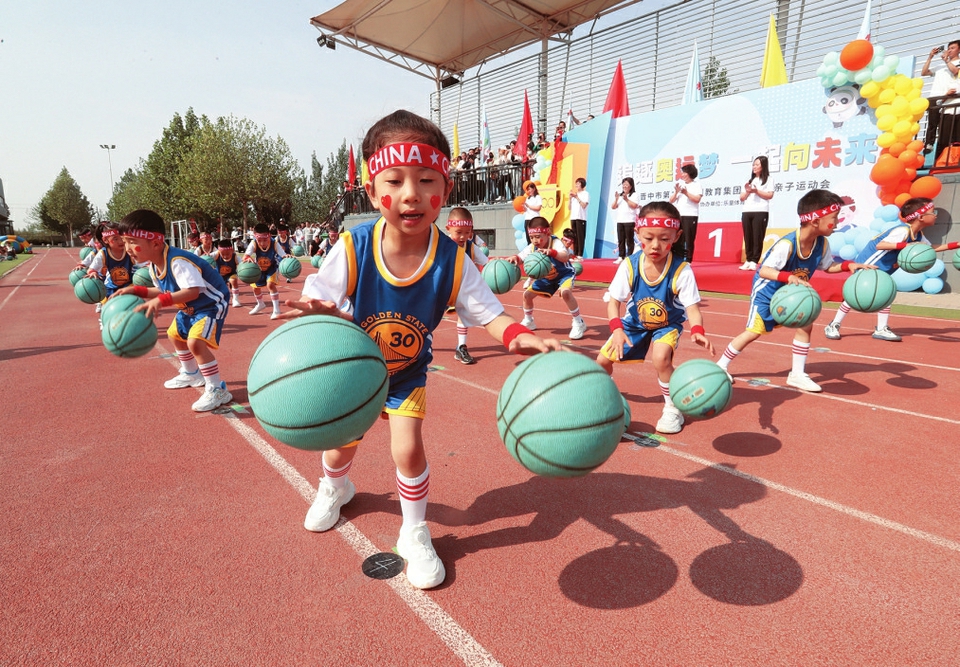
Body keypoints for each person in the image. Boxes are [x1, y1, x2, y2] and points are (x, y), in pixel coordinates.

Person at [282, 109, 560, 590]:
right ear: (372, 191)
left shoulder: (452, 261)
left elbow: (491, 315)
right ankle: (335, 486)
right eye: (395, 180)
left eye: (426, 180)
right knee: (338, 446)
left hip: (407, 372)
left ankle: (413, 531)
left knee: (407, 449)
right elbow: (317, 296)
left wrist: (521, 336)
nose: (411, 194)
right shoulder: (353, 246)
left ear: (445, 191)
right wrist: (317, 310)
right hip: (353, 373)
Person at [716, 190, 872, 393]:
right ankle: (721, 365)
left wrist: (848, 266)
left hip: (792, 294)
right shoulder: (787, 244)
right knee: (754, 332)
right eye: (834, 218)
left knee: (806, 324)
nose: (838, 222)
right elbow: (764, 270)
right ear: (815, 221)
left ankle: (797, 374)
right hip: (768, 292)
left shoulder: (822, 243)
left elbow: (827, 266)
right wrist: (789, 277)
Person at [596, 201, 714, 434]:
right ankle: (607, 397)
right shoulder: (629, 265)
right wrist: (617, 329)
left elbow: (692, 308)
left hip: (667, 325)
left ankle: (673, 407)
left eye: (664, 239)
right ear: (637, 232)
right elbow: (614, 301)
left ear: (677, 236)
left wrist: (698, 330)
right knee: (601, 363)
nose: (655, 245)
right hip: (633, 323)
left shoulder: (682, 269)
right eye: (648, 238)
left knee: (661, 359)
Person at [115, 209, 232, 412]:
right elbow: (162, 289)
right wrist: (137, 290)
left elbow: (193, 291)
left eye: (132, 242)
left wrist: (161, 301)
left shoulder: (178, 261)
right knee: (174, 335)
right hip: (190, 307)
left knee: (195, 343)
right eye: (124, 242)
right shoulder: (153, 265)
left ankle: (217, 388)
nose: (128, 248)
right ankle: (191, 373)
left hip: (211, 305)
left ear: (155, 243)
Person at [825, 198, 950, 342]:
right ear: (921, 217)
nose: (935, 215)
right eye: (932, 212)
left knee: (886, 294)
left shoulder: (919, 235)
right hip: (870, 263)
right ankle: (833, 324)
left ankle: (881, 328)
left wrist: (956, 244)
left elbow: (930, 248)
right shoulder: (902, 230)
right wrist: (905, 246)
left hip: (885, 268)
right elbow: (881, 245)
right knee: (856, 294)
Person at [507, 216, 587, 340]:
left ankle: (578, 322)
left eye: (538, 237)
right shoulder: (532, 247)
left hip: (564, 274)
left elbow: (565, 256)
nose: (535, 240)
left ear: (547, 233)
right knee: (527, 295)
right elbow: (521, 257)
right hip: (547, 277)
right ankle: (529, 321)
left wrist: (552, 252)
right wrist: (514, 259)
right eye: (532, 237)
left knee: (565, 293)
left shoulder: (555, 242)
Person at [445, 207, 488, 365]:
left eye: (467, 232)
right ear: (448, 229)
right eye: (459, 232)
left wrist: (496, 269)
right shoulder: (442, 247)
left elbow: (487, 264)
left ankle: (461, 347)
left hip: (460, 290)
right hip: (442, 290)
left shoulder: (471, 247)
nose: (463, 236)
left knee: (464, 312)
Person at [86, 222, 135, 327]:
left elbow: (143, 264)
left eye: (122, 237)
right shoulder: (103, 253)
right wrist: (93, 272)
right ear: (106, 240)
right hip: (111, 287)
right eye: (115, 238)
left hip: (128, 285)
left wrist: (147, 268)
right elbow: (91, 269)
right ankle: (105, 323)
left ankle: (130, 325)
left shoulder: (129, 250)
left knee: (130, 307)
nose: (120, 241)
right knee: (107, 310)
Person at [242, 222, 288, 319]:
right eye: (260, 240)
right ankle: (260, 304)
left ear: (269, 236)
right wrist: (247, 258)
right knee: (255, 288)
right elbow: (245, 256)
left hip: (272, 267)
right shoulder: (253, 243)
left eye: (265, 240)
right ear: (255, 237)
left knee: (270, 285)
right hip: (259, 268)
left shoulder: (274, 243)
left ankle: (276, 310)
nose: (262, 243)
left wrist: (287, 257)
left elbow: (283, 254)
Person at [921, 40, 960, 153]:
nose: (949, 50)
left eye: (953, 48)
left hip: (948, 98)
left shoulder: (956, 63)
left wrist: (947, 61)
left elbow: (956, 72)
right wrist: (930, 57)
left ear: (959, 49)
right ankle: (929, 144)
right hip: (936, 96)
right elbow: (924, 73)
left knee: (947, 128)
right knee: (932, 123)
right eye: (949, 48)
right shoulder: (939, 66)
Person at [738, 156, 775, 271]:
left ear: (763, 166)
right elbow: (742, 198)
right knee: (748, 236)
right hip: (747, 211)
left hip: (761, 210)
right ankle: (748, 260)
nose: (754, 167)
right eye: (753, 165)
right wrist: (749, 191)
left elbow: (769, 195)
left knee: (757, 236)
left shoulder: (769, 179)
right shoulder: (749, 181)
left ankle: (754, 260)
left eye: (757, 165)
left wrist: (756, 191)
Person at [669, 164, 703, 262]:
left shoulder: (696, 185)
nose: (682, 174)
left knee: (689, 239)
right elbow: (671, 201)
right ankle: (678, 259)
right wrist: (676, 192)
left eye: (684, 172)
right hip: (679, 216)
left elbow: (697, 199)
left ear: (690, 173)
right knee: (678, 238)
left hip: (690, 215)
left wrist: (686, 193)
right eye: (682, 172)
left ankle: (688, 260)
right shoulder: (680, 185)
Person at [611, 177, 640, 263]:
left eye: (626, 184)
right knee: (621, 239)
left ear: (631, 186)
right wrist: (616, 199)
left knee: (629, 240)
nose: (624, 186)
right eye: (623, 184)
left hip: (629, 221)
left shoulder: (634, 195)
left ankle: (630, 256)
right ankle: (621, 256)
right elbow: (613, 207)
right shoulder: (620, 196)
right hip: (620, 220)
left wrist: (626, 199)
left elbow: (634, 205)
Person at [213, 238, 242, 308]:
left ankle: (235, 299)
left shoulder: (236, 257)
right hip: (219, 275)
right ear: (219, 251)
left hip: (231, 274)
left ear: (232, 250)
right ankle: (219, 299)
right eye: (223, 254)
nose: (225, 256)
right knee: (219, 288)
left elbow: (242, 264)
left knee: (233, 280)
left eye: (228, 254)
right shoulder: (215, 255)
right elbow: (205, 258)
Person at [569, 177, 590, 257]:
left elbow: (584, 205)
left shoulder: (585, 194)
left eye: (578, 183)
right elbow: (569, 208)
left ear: (582, 185)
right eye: (576, 183)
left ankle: (580, 255)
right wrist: (570, 199)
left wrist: (576, 197)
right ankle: (575, 253)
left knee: (580, 237)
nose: (576, 185)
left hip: (581, 218)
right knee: (574, 237)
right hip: (573, 217)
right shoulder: (574, 195)